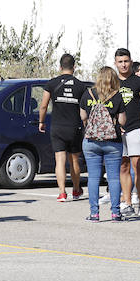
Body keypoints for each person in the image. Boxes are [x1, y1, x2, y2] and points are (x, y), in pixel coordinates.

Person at [80, 67, 127, 222]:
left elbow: (83, 116)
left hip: (91, 141)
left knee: (93, 177)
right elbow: (122, 121)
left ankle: (94, 214)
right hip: (112, 142)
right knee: (113, 178)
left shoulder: (88, 93)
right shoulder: (117, 96)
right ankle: (115, 213)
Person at [39, 53, 86, 202]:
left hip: (57, 126)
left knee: (59, 160)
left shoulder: (51, 84)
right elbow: (83, 109)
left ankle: (62, 193)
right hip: (74, 127)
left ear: (60, 67)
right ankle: (76, 190)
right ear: (74, 67)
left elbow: (43, 105)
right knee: (74, 160)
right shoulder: (81, 86)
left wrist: (41, 121)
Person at [114, 48, 140, 217]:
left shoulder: (139, 82)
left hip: (136, 128)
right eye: (120, 61)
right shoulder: (112, 82)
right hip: (118, 130)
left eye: (126, 61)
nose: (123, 64)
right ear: (115, 63)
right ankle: (127, 202)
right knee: (123, 166)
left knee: (138, 166)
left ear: (131, 61)